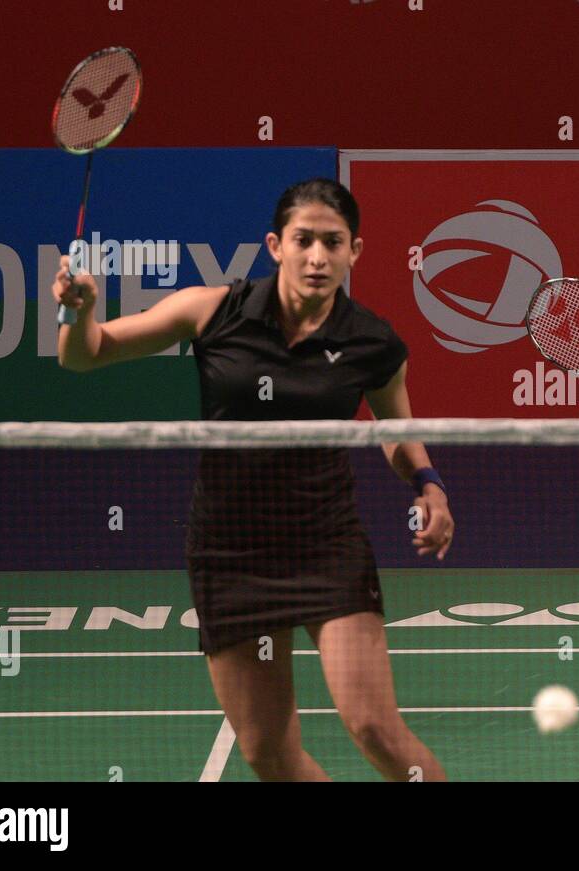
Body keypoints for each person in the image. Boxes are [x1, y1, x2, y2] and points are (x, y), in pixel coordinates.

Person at [54, 178, 453, 776]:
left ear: (355, 251)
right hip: (231, 549)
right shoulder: (213, 311)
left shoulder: (372, 341)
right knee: (267, 752)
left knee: (373, 724)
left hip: (326, 544)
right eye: (303, 240)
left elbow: (395, 430)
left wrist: (429, 484)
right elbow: (86, 354)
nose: (317, 257)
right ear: (276, 245)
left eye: (332, 242)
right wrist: (76, 311)